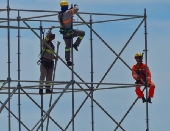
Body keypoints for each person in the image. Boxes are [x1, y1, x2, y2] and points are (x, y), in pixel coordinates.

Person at [58, 0, 85, 66]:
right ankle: (76, 44)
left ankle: (68, 60)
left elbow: (66, 15)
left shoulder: (59, 15)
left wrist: (70, 10)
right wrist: (75, 5)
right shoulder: (68, 12)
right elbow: (76, 9)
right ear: (67, 6)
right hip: (71, 32)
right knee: (82, 33)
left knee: (67, 47)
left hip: (65, 34)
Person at [39, 26, 58, 94]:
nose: (51, 38)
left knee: (49, 77)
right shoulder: (45, 43)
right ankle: (40, 89)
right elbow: (46, 36)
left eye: (52, 37)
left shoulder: (52, 46)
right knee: (43, 75)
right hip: (44, 62)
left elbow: (51, 54)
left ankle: (48, 89)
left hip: (50, 62)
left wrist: (55, 57)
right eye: (51, 37)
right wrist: (50, 30)